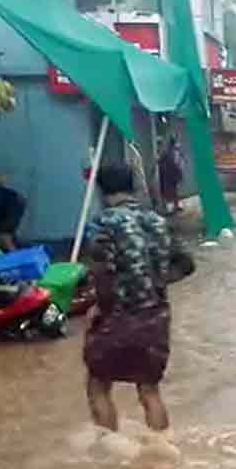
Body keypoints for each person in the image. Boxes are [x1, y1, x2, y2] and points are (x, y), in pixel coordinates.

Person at [83, 165, 174, 434]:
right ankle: (163, 448)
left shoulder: (103, 223)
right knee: (149, 390)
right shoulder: (157, 221)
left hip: (119, 315)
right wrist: (154, 282)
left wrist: (100, 309)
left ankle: (108, 447)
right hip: (156, 316)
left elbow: (103, 273)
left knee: (98, 385)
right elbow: (186, 263)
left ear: (103, 191)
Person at [157, 137, 183, 215]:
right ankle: (168, 207)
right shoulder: (167, 152)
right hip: (167, 175)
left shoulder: (174, 152)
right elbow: (160, 161)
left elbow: (179, 163)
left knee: (174, 191)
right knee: (167, 191)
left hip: (173, 175)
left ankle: (175, 205)